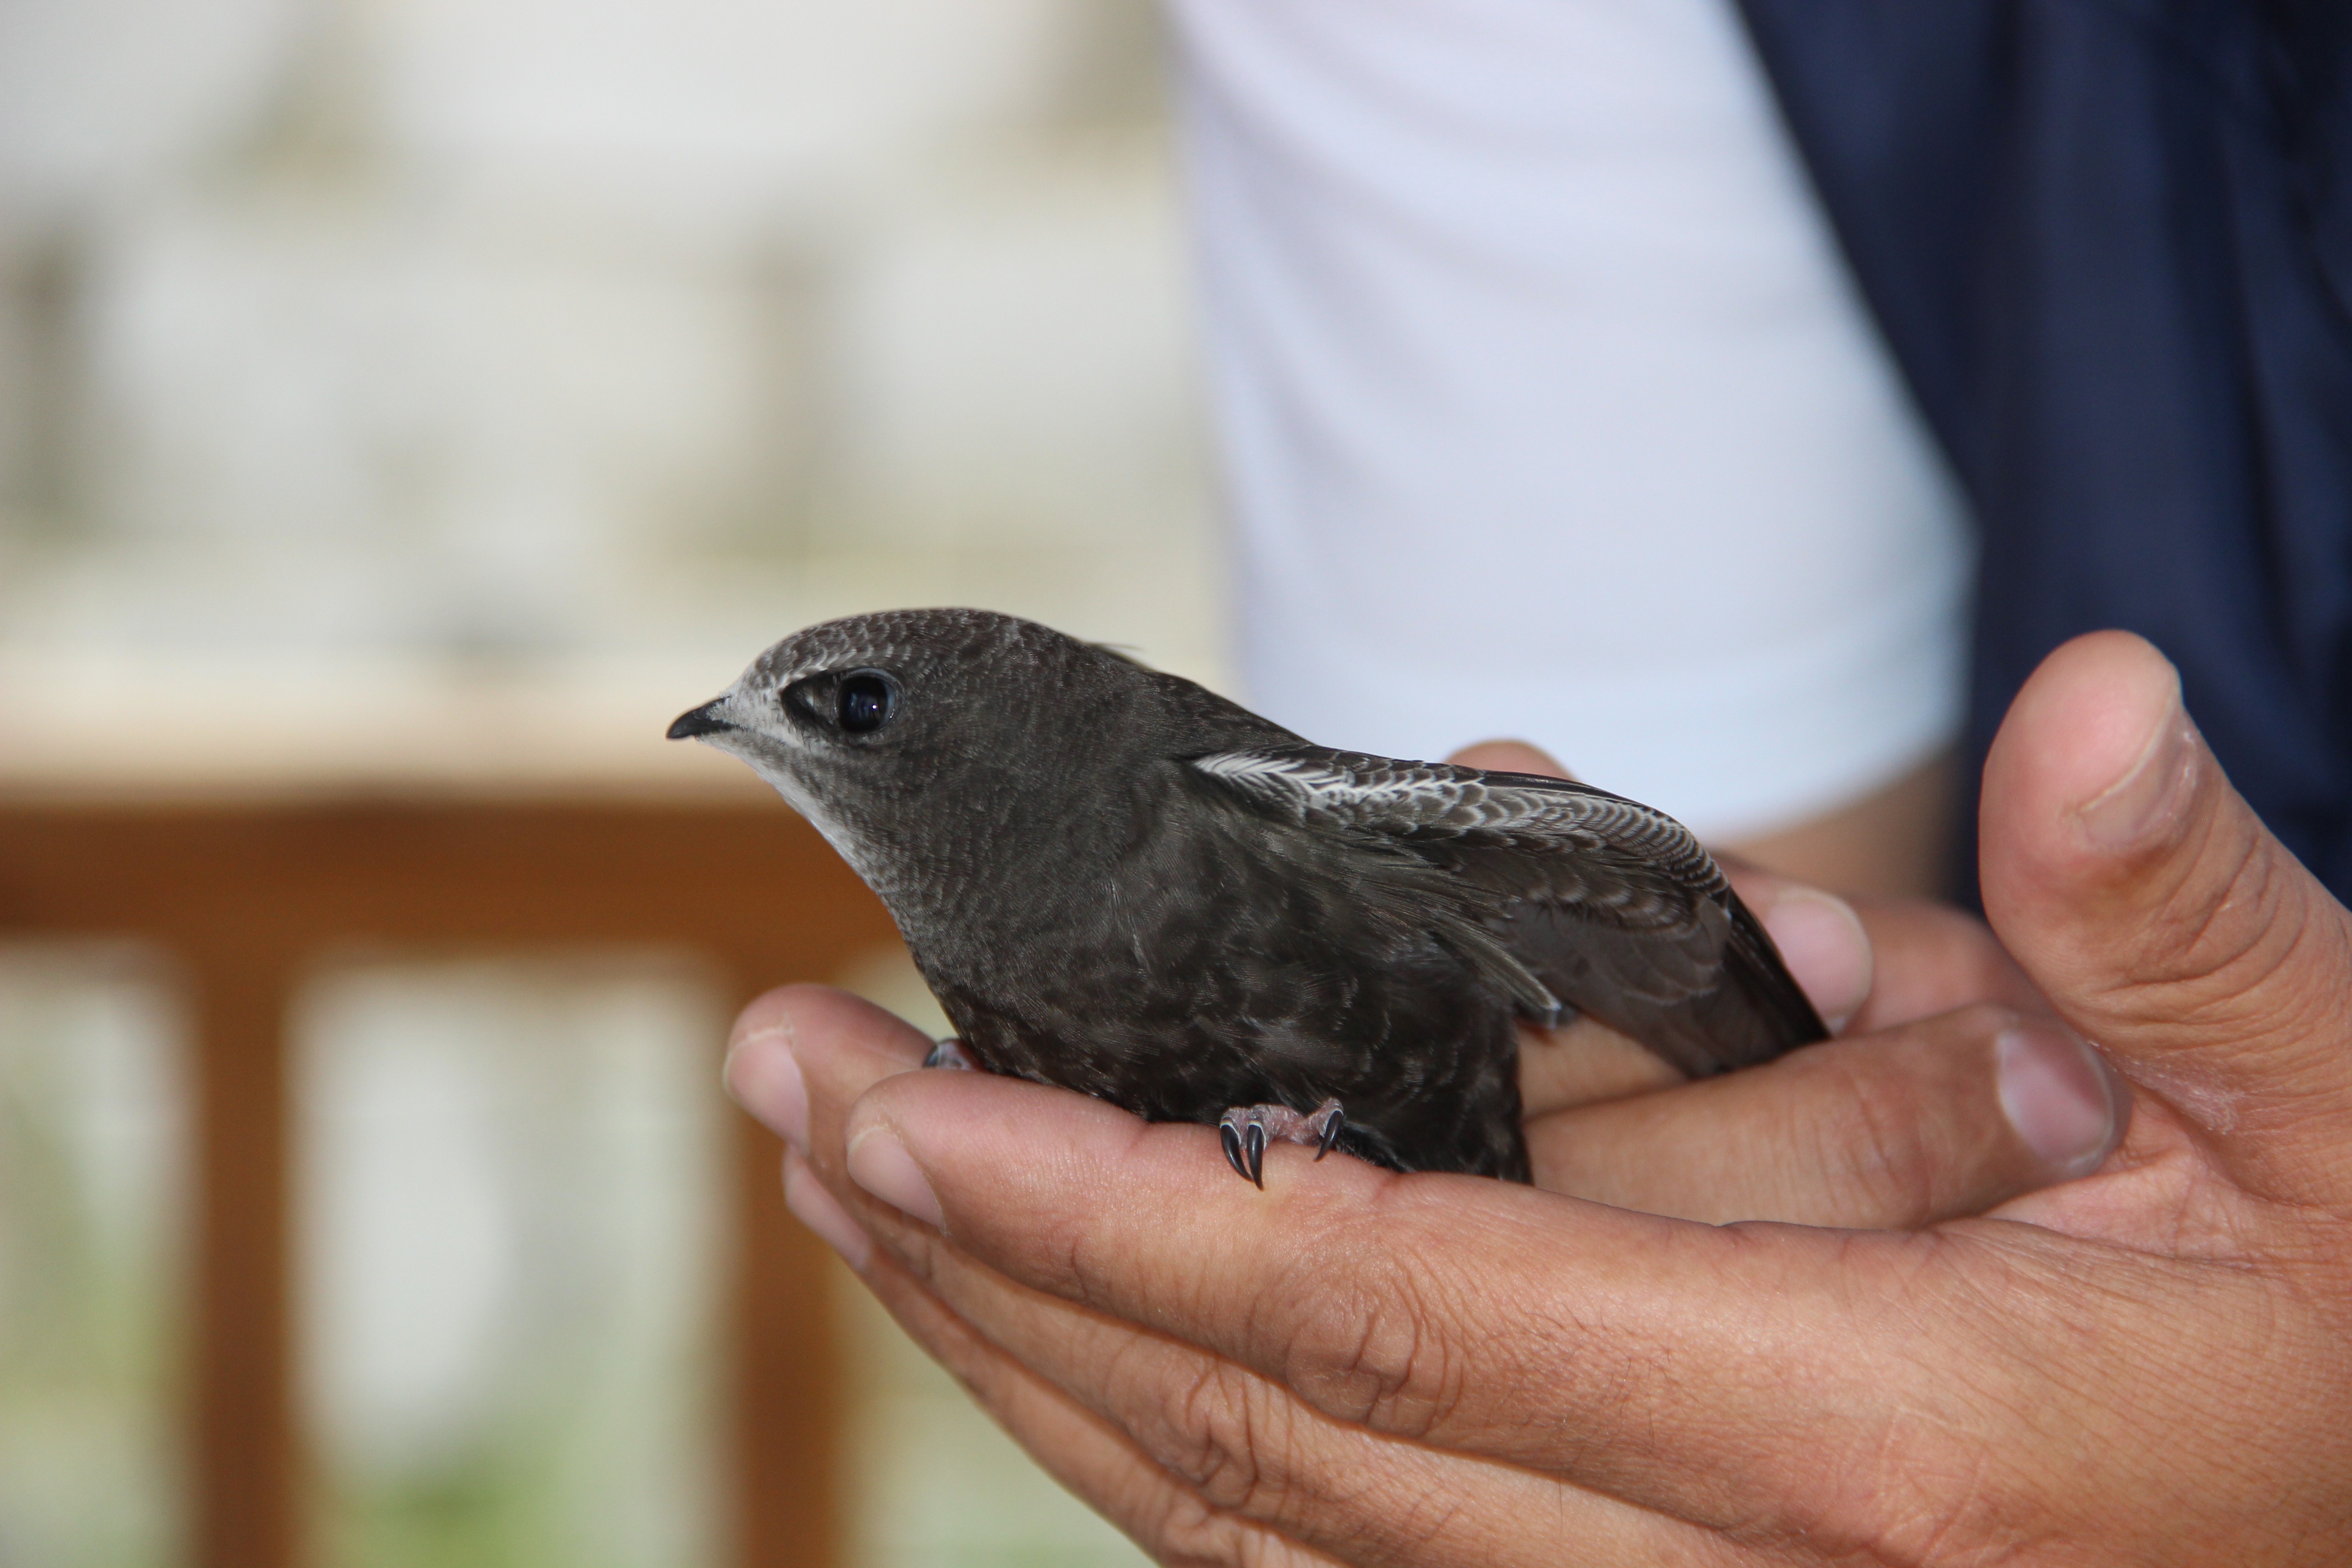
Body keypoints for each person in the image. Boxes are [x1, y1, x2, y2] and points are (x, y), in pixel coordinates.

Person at [730, 631, 2352, 1562]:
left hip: (1444, 1128)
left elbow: (1641, 878)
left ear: (985, 738)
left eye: (845, 710)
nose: (764, 733)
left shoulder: (1200, 804)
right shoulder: (970, 889)